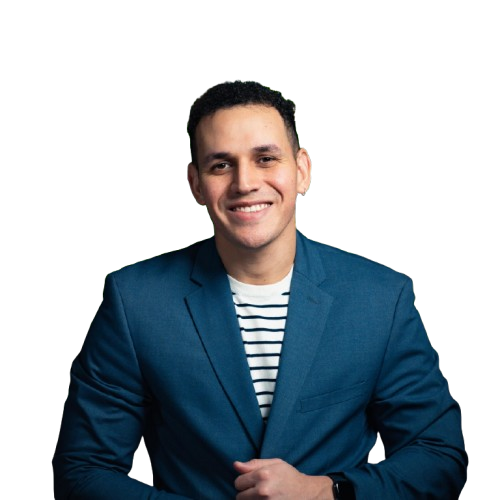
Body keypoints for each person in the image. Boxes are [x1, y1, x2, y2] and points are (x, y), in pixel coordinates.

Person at [53, 80, 467, 499]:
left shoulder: (382, 298)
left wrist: (325, 492)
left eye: (265, 158)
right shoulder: (134, 301)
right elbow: (83, 471)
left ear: (302, 170)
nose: (245, 183)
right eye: (221, 165)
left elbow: (439, 455)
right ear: (196, 185)